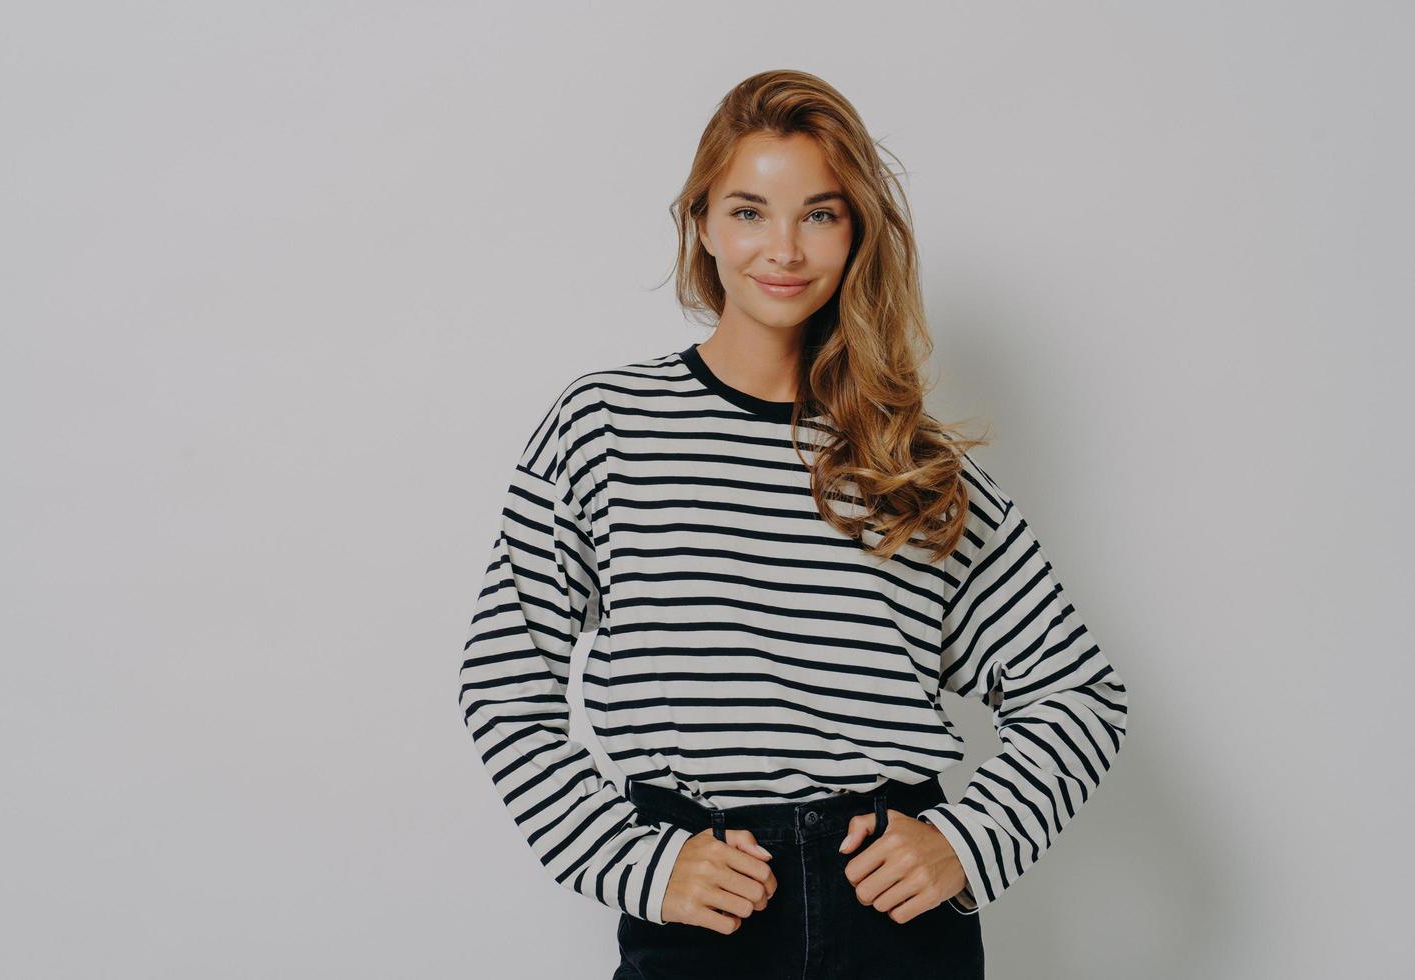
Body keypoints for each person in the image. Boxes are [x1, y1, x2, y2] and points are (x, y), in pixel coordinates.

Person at [456, 69, 1129, 980]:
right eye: (748, 212)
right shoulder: (605, 427)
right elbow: (503, 678)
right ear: (699, 222)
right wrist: (636, 863)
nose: (784, 248)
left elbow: (1078, 694)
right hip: (704, 912)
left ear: (856, 233)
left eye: (820, 213)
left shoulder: (911, 465)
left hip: (893, 924)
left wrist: (965, 843)